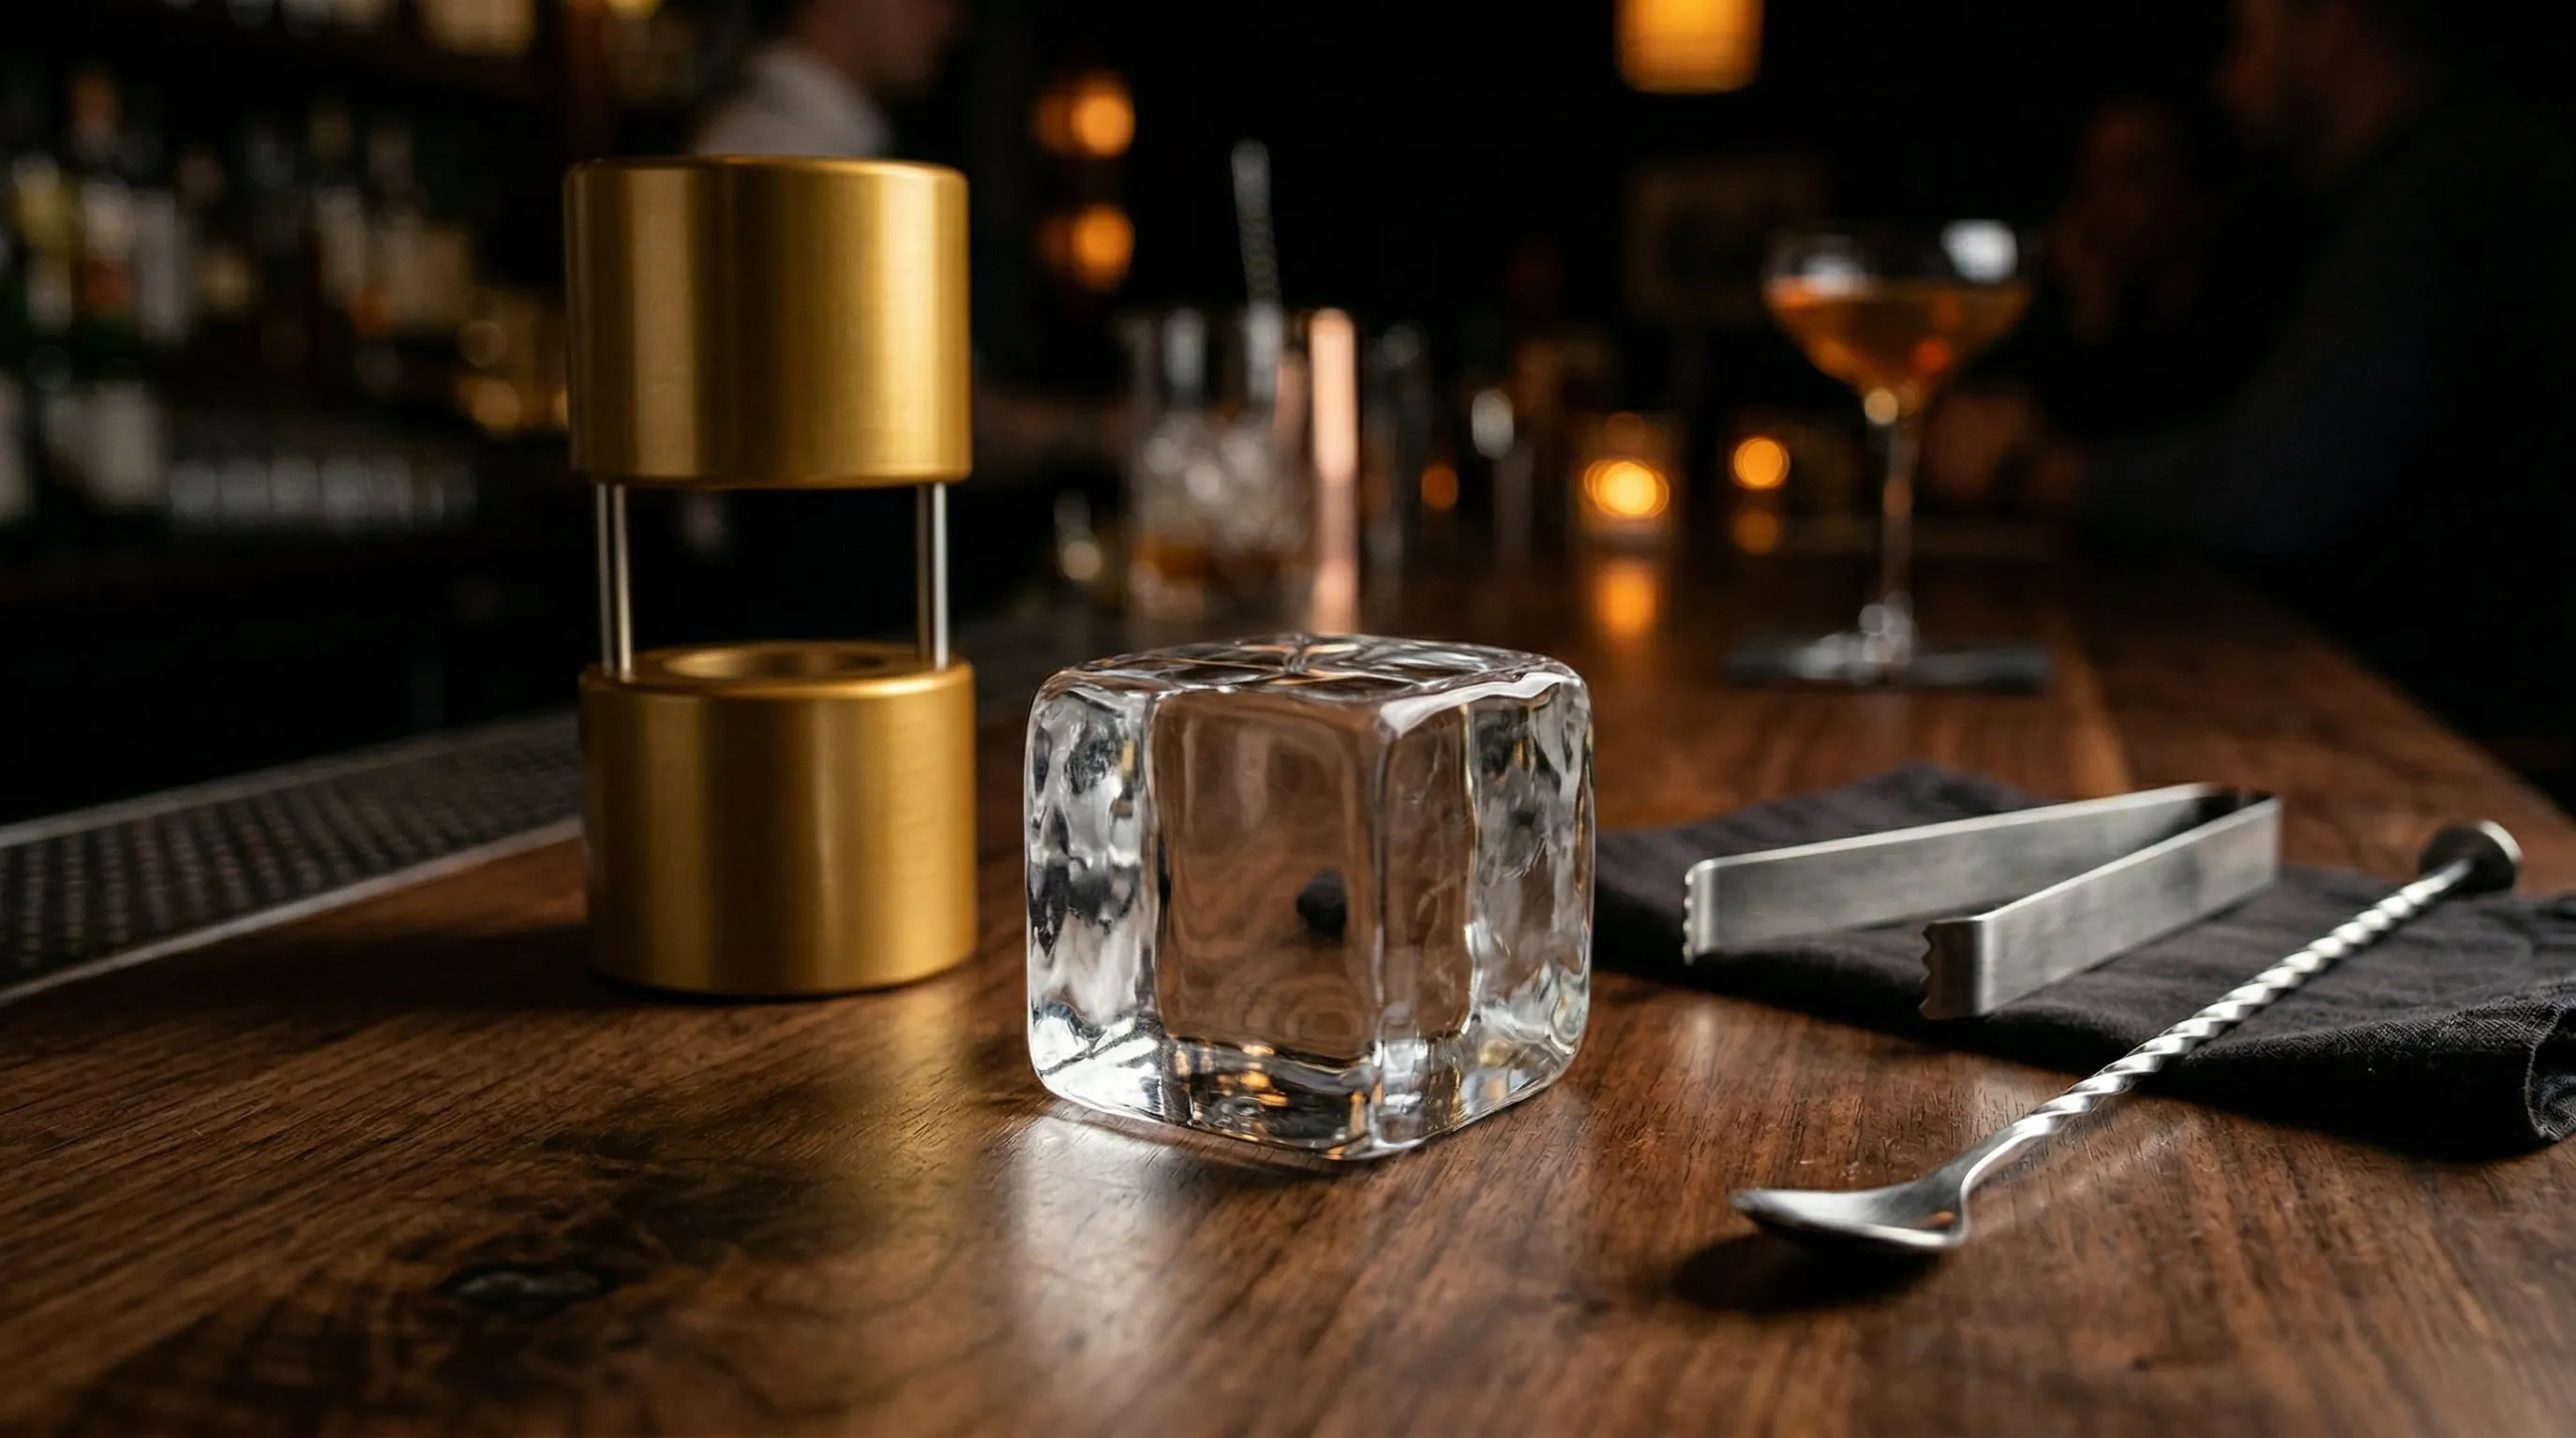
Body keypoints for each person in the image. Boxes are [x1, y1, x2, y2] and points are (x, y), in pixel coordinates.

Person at [1925, 0, 2576, 791]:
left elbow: (2267, 489)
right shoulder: (2383, 193)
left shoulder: (2449, 187)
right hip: (2380, 715)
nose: (2227, 80)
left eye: (2249, 35)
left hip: (2472, 753)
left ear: (2331, 29)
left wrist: (2028, 469)